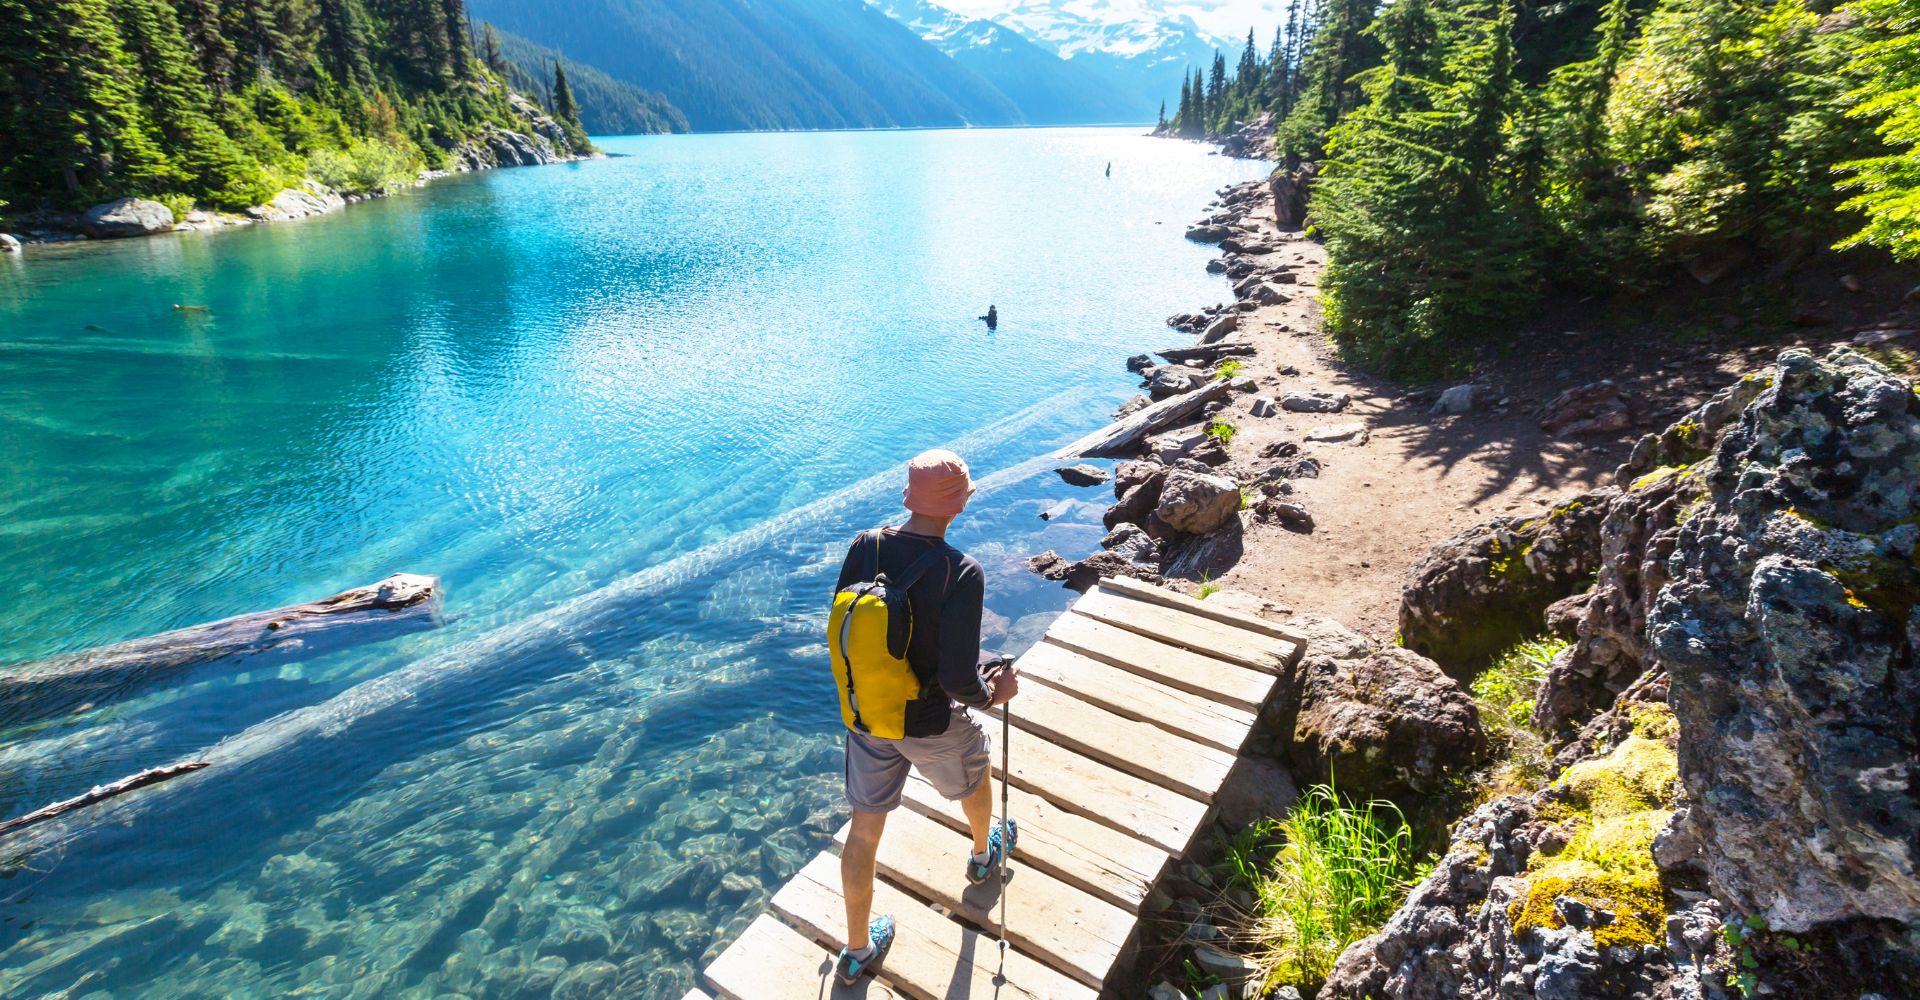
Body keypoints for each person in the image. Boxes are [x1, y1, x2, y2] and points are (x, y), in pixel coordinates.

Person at [832, 449, 1020, 985]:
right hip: (929, 723)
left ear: (909, 498)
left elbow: (858, 631)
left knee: (864, 832)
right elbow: (959, 678)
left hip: (866, 714)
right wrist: (994, 693)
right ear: (958, 506)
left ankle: (857, 948)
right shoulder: (961, 571)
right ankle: (984, 854)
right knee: (974, 775)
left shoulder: (863, 547)